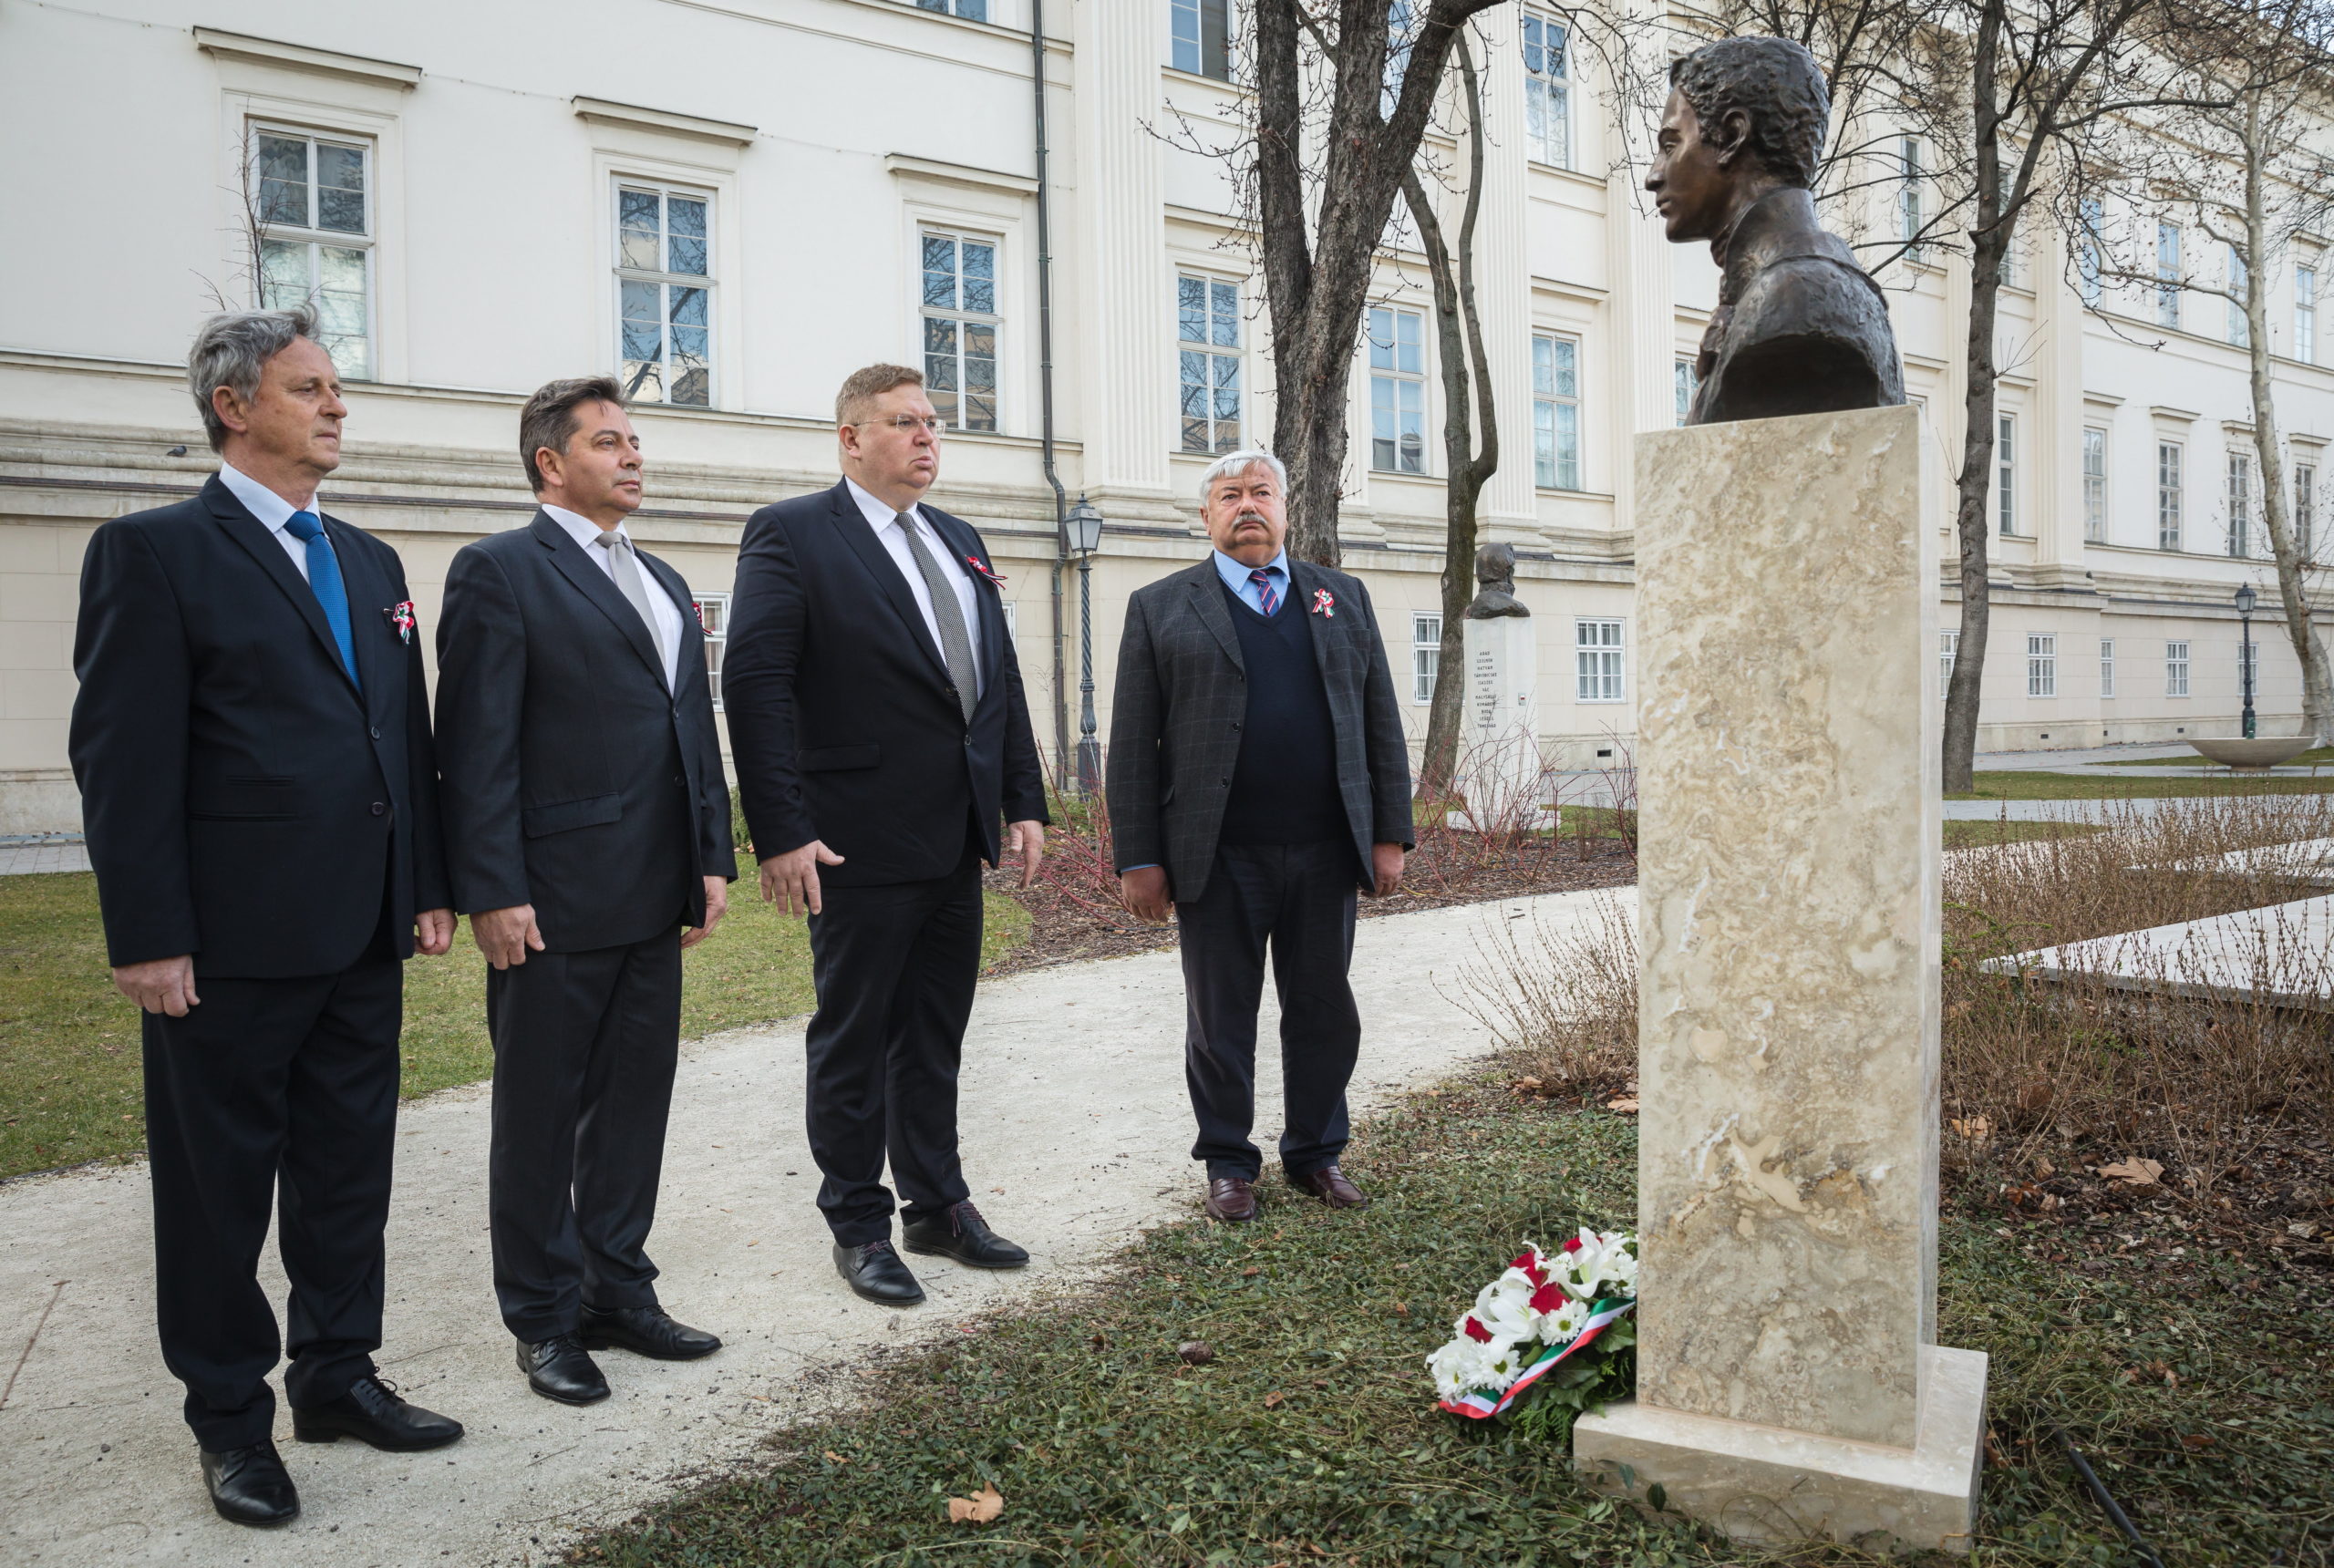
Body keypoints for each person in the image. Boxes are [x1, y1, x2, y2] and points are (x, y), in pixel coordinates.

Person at [67, 307, 464, 1529]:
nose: (336, 406)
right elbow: (123, 761)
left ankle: (338, 1377)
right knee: (218, 1193)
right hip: (227, 944)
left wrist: (429, 883)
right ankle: (232, 1422)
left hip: (360, 932)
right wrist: (146, 932)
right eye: (309, 388)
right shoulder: (153, 555)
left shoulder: (372, 560)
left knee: (349, 1173)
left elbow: (405, 736)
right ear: (234, 407)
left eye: (337, 387)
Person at [433, 377, 737, 1404]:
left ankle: (618, 1288)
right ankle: (545, 1316)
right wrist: (492, 888)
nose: (633, 455)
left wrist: (709, 858)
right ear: (549, 464)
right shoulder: (498, 572)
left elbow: (687, 727)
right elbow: (475, 747)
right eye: (609, 442)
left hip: (653, 895)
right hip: (551, 898)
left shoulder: (658, 576)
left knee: (632, 1109)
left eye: (635, 440)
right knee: (540, 1116)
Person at [724, 364, 1047, 1306]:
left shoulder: (959, 540)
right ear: (850, 438)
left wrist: (1021, 801)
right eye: (903, 422)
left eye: (932, 422)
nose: (925, 437)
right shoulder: (792, 534)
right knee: (856, 1033)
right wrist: (780, 828)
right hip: (852, 837)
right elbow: (756, 684)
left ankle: (939, 1205)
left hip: (952, 836)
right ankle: (858, 1222)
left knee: (935, 1031)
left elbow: (999, 686)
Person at [1105, 449, 1414, 1224]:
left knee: (1322, 1008)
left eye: (1261, 493)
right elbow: (1133, 741)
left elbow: (1380, 720)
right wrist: (1139, 857)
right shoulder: (1160, 605)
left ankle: (1316, 1153)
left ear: (1286, 508)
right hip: (1216, 854)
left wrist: (1389, 836)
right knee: (1220, 1017)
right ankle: (1228, 1163)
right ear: (1205, 516)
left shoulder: (1341, 597)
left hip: (1323, 850)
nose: (1247, 506)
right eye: (1229, 495)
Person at [1647, 36, 1904, 425]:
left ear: (1732, 136)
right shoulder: (1785, 286)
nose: (1654, 176)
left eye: (1670, 144)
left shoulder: (1796, 299)